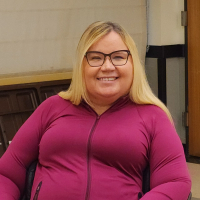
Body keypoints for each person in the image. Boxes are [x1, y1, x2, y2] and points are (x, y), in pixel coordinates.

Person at [0, 21, 191, 200]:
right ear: (82, 65)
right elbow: (6, 174)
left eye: (118, 57)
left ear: (133, 64)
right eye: (96, 58)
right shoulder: (52, 107)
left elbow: (175, 182)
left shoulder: (154, 117)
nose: (107, 67)